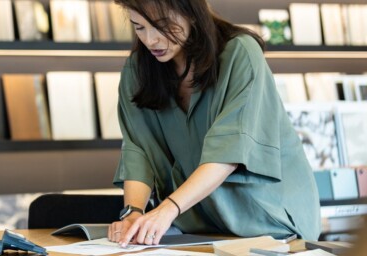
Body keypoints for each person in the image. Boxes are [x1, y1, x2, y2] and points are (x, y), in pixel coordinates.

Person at [106, 0, 320, 247]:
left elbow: (229, 149)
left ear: (192, 13)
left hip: (271, 222)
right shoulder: (138, 70)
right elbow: (138, 149)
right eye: (139, 27)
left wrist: (167, 209)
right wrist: (133, 214)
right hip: (203, 228)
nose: (151, 40)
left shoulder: (240, 53)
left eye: (162, 26)